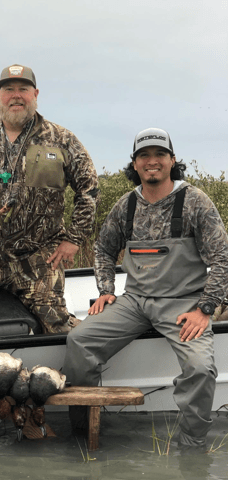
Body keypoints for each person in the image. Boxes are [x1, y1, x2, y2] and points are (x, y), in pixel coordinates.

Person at [63, 128, 228, 448]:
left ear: (172, 161)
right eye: (144, 156)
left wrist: (204, 309)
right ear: (135, 164)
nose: (152, 161)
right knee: (79, 341)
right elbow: (103, 249)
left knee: (200, 368)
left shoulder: (195, 202)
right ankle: (82, 432)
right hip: (134, 301)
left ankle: (192, 447)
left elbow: (222, 259)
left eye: (159, 155)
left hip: (183, 304)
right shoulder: (125, 206)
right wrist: (107, 289)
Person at [0, 64, 99, 334]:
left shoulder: (60, 139)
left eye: (23, 89)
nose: (16, 96)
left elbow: (89, 187)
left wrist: (74, 239)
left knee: (55, 327)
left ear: (35, 94)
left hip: (41, 255)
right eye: (9, 89)